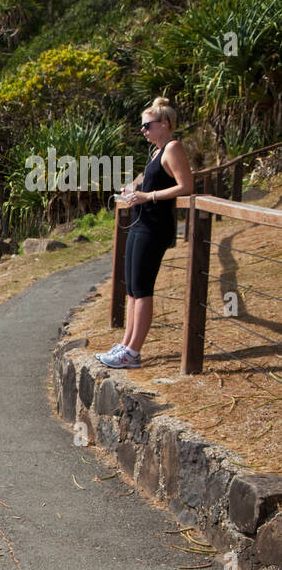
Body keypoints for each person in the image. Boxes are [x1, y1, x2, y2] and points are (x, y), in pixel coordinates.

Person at [98, 97, 193, 369]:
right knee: (132, 289)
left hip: (154, 228)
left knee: (142, 290)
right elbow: (144, 181)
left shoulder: (172, 148)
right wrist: (132, 190)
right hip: (141, 225)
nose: (143, 131)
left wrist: (147, 196)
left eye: (147, 126)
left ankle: (133, 352)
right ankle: (126, 344)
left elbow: (185, 186)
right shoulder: (156, 152)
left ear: (164, 125)